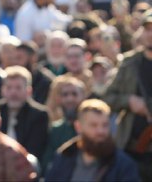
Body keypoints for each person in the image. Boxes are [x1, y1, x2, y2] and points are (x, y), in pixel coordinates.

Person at [103, 11, 152, 180]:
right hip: (132, 149)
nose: (150, 34)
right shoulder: (130, 62)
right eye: (147, 29)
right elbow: (108, 97)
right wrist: (129, 101)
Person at [45, 99, 139, 182]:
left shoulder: (123, 166)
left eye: (105, 125)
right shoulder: (63, 158)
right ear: (78, 127)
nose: (100, 131)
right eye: (93, 125)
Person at [0, 66, 49, 160]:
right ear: (2, 90)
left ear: (29, 91)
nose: (13, 92)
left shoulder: (39, 115)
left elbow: (34, 150)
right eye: (9, 88)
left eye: (18, 88)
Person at [42, 75, 86, 174]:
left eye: (74, 94)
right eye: (65, 95)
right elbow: (48, 163)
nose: (70, 99)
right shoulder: (56, 129)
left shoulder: (91, 127)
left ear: (83, 97)